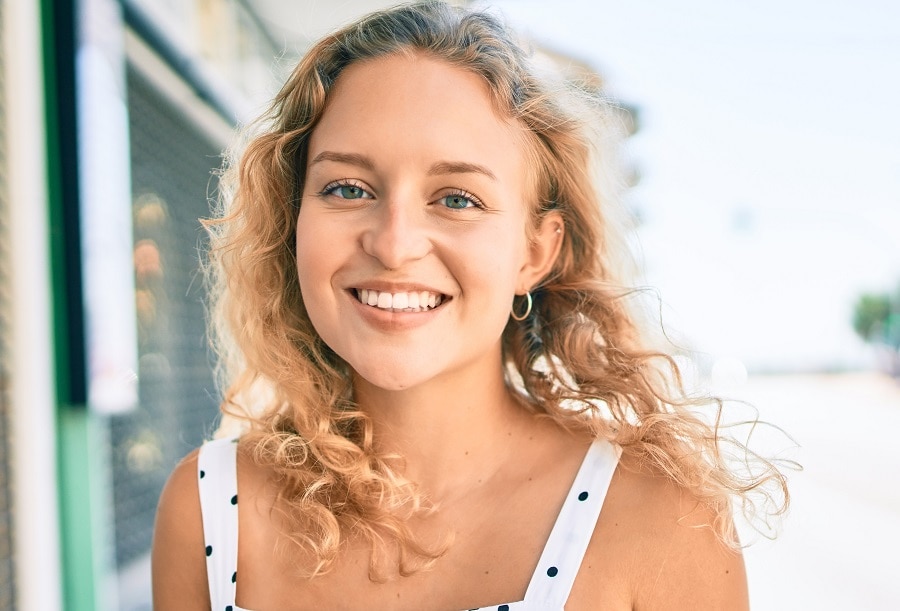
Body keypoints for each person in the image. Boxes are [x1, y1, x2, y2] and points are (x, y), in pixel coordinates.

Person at [152, 2, 788, 609]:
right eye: (349, 188)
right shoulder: (208, 510)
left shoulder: (661, 515)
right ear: (293, 225)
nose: (395, 244)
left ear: (536, 252)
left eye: (457, 198)